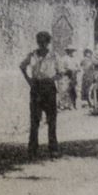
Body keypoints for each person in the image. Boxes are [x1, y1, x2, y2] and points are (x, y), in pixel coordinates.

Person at [19, 31, 61, 159]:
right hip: (36, 87)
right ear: (37, 42)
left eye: (44, 42)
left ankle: (53, 148)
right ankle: (32, 149)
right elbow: (22, 66)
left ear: (48, 43)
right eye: (40, 42)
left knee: (51, 119)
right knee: (34, 119)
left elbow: (60, 72)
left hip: (49, 88)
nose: (42, 45)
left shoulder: (54, 56)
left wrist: (52, 79)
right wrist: (29, 80)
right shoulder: (32, 55)